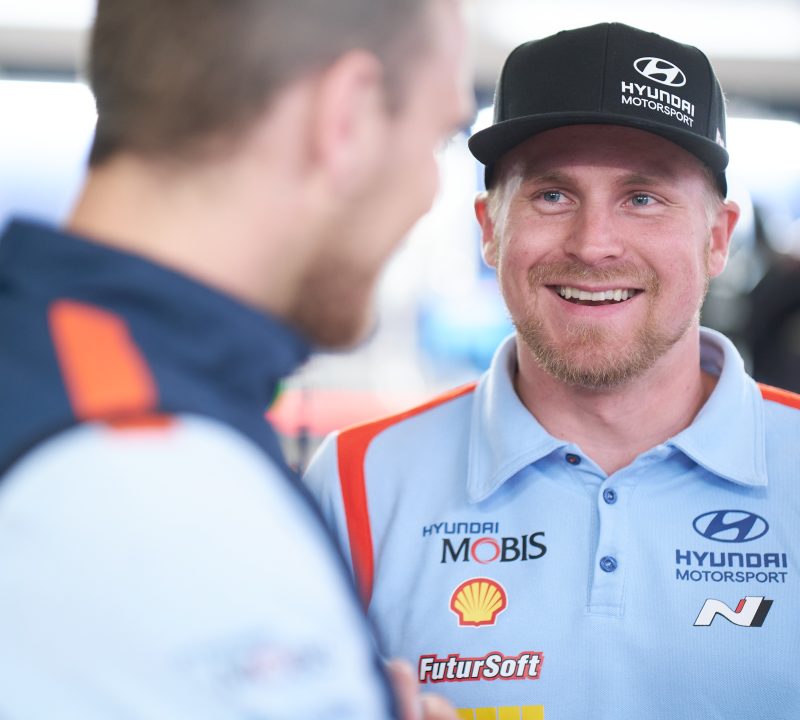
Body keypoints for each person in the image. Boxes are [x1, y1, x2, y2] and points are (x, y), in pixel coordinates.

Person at [305, 22, 800, 720]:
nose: (593, 245)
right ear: (489, 229)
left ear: (716, 238)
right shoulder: (358, 483)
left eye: (643, 198)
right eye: (552, 196)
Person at [0, 0, 473, 717]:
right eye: (440, 138)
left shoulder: (63, 376)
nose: (429, 193)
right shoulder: (141, 465)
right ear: (346, 116)